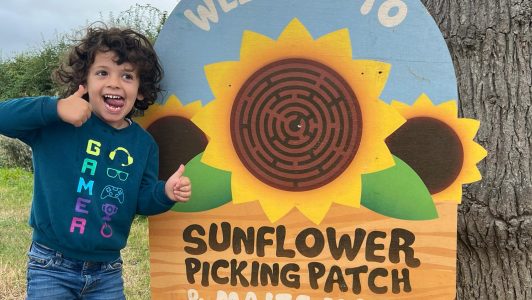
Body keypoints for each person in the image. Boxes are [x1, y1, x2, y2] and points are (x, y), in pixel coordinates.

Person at [0, 26, 191, 299]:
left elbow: (141, 201)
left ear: (140, 90)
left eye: (127, 75)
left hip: (107, 271)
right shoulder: (59, 123)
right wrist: (54, 108)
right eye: (102, 73)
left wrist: (165, 192)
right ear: (85, 82)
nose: (114, 83)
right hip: (50, 265)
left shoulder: (143, 144)